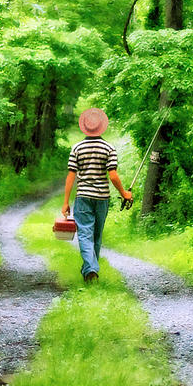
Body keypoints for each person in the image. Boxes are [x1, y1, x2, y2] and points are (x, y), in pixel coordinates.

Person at [61, 108, 133, 283]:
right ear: (102, 127)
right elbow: (113, 175)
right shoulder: (109, 148)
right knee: (96, 236)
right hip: (102, 198)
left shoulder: (77, 148)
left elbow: (71, 175)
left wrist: (65, 202)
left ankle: (90, 269)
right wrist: (124, 194)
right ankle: (90, 272)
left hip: (83, 197)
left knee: (85, 234)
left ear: (84, 127)